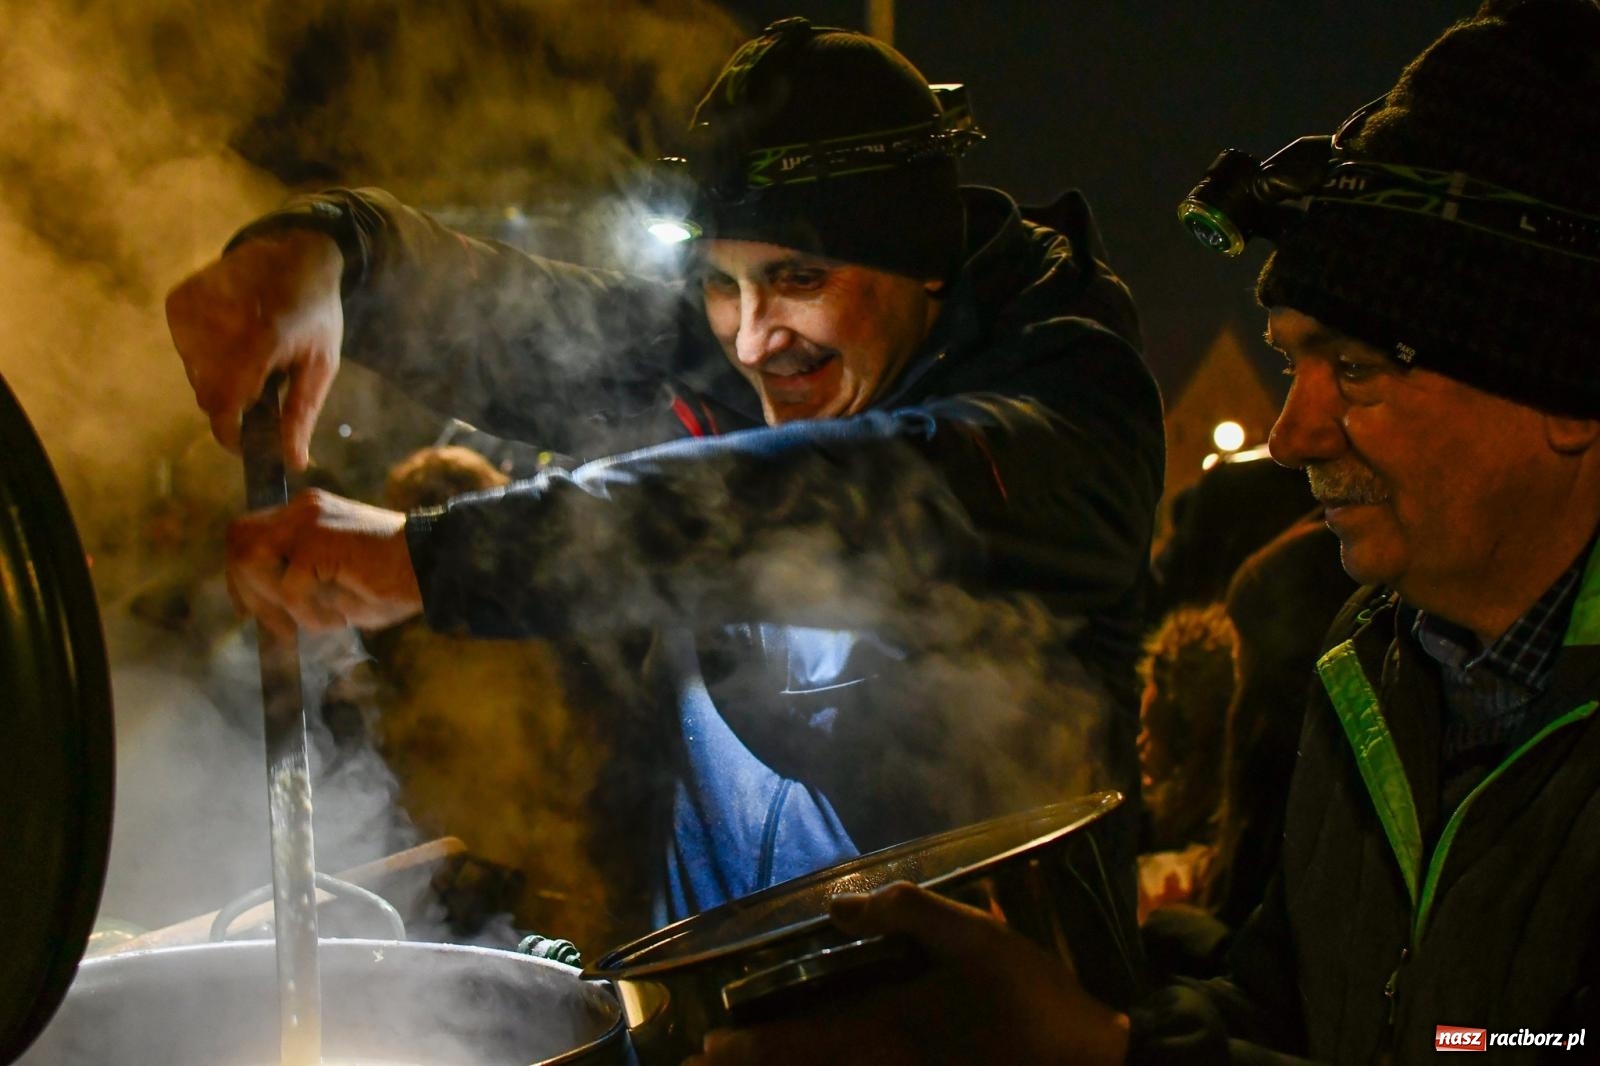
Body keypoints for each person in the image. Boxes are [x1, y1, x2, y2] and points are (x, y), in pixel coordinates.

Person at [686, 1, 1600, 1062]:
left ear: (1567, 392)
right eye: (1289, 358)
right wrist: (1029, 1004)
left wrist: (1098, 1051)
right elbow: (1291, 1020)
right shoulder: (1381, 664)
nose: (1290, 432)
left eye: (1356, 369)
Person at [165, 18, 1165, 927]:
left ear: (922, 260)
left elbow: (865, 498)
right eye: (721, 284)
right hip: (720, 1018)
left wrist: (438, 558)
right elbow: (519, 320)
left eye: (798, 278)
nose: (750, 336)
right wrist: (339, 252)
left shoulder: (1071, 394)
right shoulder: (737, 350)